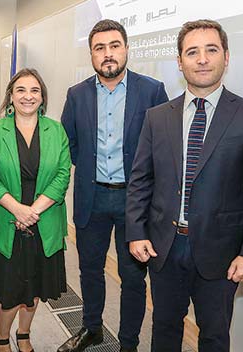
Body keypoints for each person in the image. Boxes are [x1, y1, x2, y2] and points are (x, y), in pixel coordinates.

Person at [125, 19, 243, 352]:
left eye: (211, 50)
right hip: (164, 247)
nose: (202, 59)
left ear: (226, 56)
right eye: (192, 52)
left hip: (221, 252)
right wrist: (136, 232)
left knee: (214, 334)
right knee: (164, 327)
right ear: (180, 62)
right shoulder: (157, 117)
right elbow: (140, 180)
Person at [59, 19, 169, 352]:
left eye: (114, 46)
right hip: (91, 197)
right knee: (90, 269)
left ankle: (129, 343)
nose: (108, 54)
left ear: (126, 49)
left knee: (133, 278)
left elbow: (161, 149)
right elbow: (70, 144)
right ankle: (91, 328)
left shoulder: (152, 90)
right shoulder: (76, 95)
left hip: (134, 203)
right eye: (100, 48)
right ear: (91, 54)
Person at [0, 68, 71, 352]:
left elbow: (62, 175)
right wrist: (17, 209)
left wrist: (32, 211)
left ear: (42, 97)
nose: (28, 96)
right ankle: (1, 335)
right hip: (7, 221)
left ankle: (23, 333)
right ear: (11, 96)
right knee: (9, 291)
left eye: (34, 90)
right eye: (21, 90)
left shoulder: (55, 130)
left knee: (33, 291)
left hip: (43, 222)